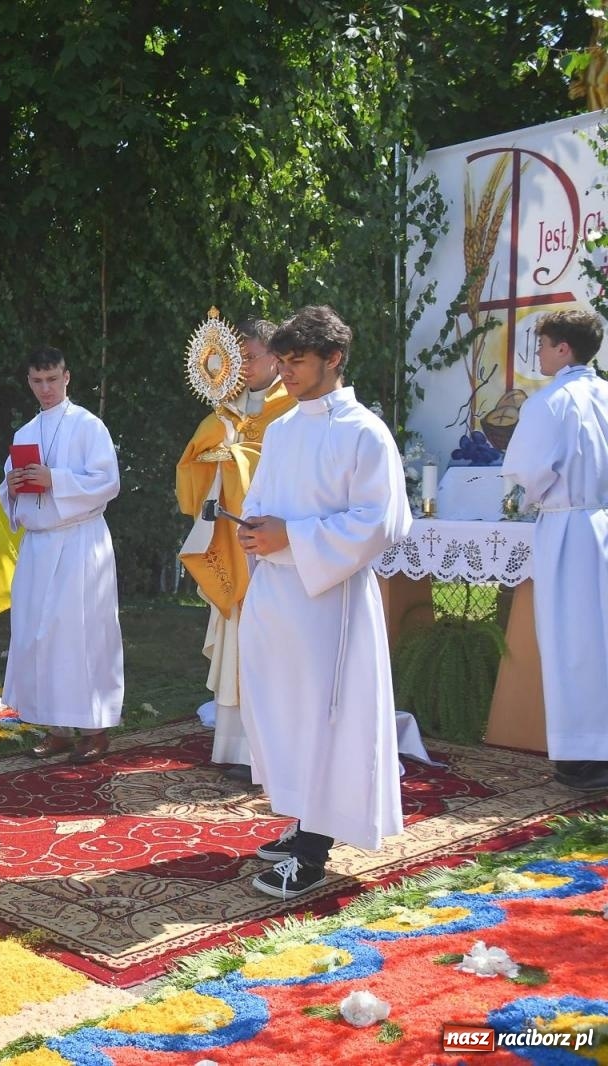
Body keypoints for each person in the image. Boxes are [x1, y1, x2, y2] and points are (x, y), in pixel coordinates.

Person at [235, 306, 411, 900]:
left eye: (297, 362)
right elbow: (265, 499)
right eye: (280, 360)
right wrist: (255, 529)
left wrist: (294, 537)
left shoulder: (365, 431)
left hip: (327, 601)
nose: (284, 373)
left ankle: (313, 849)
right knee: (282, 711)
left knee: (323, 717)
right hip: (277, 595)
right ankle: (300, 821)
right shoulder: (282, 429)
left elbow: (382, 521)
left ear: (333, 359)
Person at [175, 318, 296, 782]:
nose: (243, 367)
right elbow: (191, 475)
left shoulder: (290, 412)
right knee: (237, 644)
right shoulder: (226, 412)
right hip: (230, 540)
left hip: (274, 548)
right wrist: (215, 450)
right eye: (238, 358)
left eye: (251, 357)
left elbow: (282, 470)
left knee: (271, 648)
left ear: (276, 359)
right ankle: (236, 747)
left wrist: (238, 455)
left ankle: (271, 753)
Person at [500, 309, 608, 792]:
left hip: (568, 529)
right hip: (602, 520)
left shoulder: (552, 402)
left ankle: (582, 755)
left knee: (571, 642)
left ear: (563, 348)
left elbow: (528, 470)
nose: (539, 354)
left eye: (543, 345)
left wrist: (533, 497)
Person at [0, 347, 124, 762]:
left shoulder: (90, 426)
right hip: (38, 545)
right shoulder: (24, 433)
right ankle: (55, 727)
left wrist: (56, 479)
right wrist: (12, 487)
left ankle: (95, 729)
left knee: (82, 634)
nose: (46, 389)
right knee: (40, 634)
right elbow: (7, 494)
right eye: (37, 381)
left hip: (79, 540)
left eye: (52, 379)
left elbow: (107, 482)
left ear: (66, 377)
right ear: (29, 382)